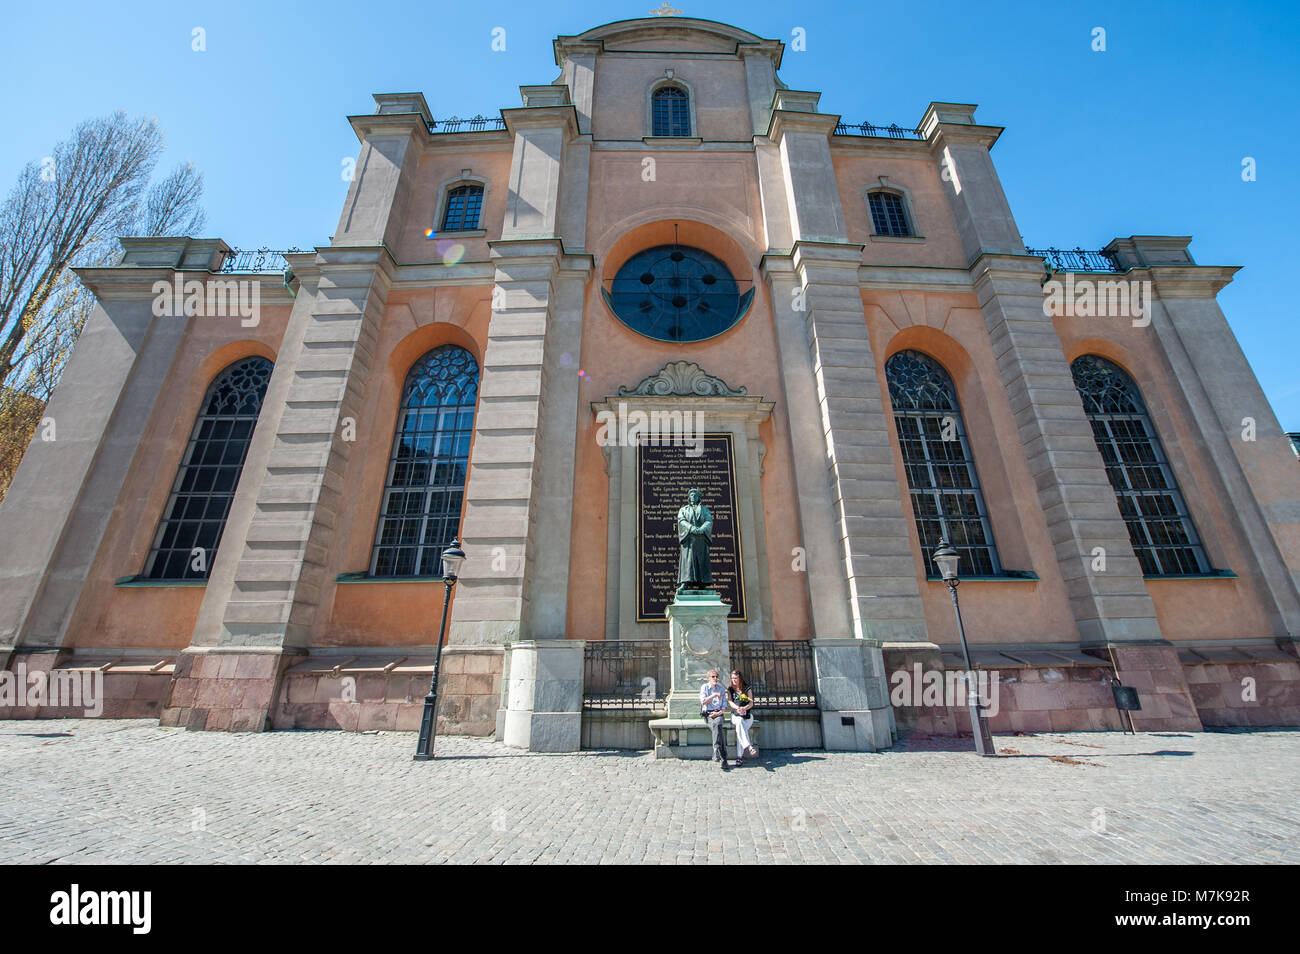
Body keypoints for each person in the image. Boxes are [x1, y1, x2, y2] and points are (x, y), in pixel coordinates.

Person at [727, 670, 758, 765]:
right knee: (740, 723)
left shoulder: (747, 688)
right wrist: (738, 708)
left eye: (735, 678)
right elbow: (730, 702)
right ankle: (748, 747)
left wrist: (744, 708)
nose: (734, 680)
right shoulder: (730, 689)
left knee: (740, 729)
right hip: (736, 715)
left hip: (747, 716)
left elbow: (751, 702)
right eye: (732, 678)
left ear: (740, 678)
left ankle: (740, 757)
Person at [699, 668, 728, 768]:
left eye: (717, 677)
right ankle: (724, 759)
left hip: (718, 714)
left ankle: (716, 750)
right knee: (718, 727)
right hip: (709, 714)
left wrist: (719, 712)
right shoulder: (705, 688)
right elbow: (703, 701)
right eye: (713, 677)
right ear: (708, 678)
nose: (715, 678)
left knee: (717, 724)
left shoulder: (721, 689)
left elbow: (724, 705)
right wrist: (714, 695)